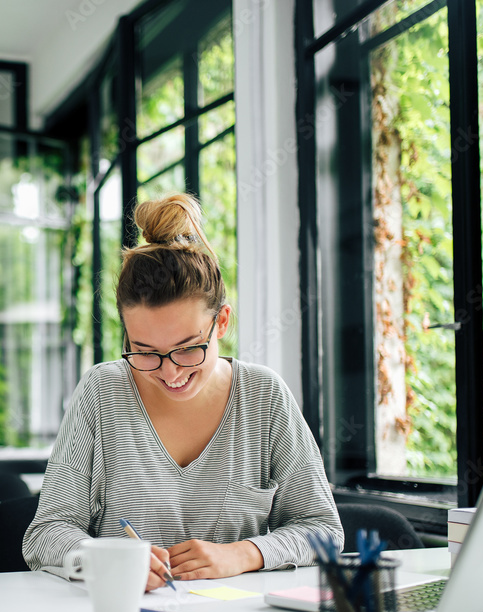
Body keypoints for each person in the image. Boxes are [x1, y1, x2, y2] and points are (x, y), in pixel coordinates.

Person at [22, 193, 343, 591]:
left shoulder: (264, 395)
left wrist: (244, 553)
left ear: (221, 322)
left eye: (188, 348)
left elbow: (323, 529)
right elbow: (46, 534)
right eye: (145, 351)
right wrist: (103, 561)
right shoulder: (102, 391)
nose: (171, 372)